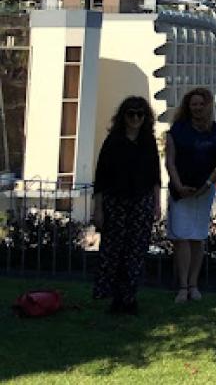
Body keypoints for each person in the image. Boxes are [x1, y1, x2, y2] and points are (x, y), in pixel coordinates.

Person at [92, 96, 161, 314]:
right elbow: (101, 178)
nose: (135, 118)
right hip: (116, 203)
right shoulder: (113, 142)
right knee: (113, 251)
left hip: (141, 202)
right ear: (123, 116)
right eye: (131, 114)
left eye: (140, 114)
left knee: (136, 252)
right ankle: (113, 298)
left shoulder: (148, 142)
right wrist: (99, 209)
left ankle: (129, 297)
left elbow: (155, 177)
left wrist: (157, 205)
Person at [166, 87, 216, 304]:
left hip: (204, 191)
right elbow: (170, 160)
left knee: (197, 237)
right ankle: (182, 286)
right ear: (187, 107)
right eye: (193, 104)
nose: (197, 108)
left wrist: (208, 184)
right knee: (181, 237)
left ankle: (194, 285)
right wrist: (178, 184)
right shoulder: (178, 129)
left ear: (207, 106)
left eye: (201, 104)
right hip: (180, 191)